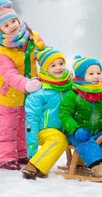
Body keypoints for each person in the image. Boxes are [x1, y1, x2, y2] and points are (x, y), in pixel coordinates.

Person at [0, 0, 45, 170]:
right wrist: (26, 84)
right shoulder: (2, 50)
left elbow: (44, 55)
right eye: (5, 25)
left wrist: (53, 70)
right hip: (10, 94)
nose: (11, 26)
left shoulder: (31, 37)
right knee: (9, 126)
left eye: (13, 21)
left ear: (18, 20)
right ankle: (5, 156)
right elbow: (9, 74)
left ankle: (22, 153)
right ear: (0, 30)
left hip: (30, 92)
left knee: (25, 124)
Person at [22, 46, 72, 179]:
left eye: (61, 63)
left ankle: (82, 164)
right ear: (45, 69)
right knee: (59, 139)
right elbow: (31, 121)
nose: (59, 68)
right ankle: (35, 165)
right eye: (53, 65)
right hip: (44, 131)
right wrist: (32, 152)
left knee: (84, 133)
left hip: (65, 128)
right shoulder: (39, 93)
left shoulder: (70, 87)